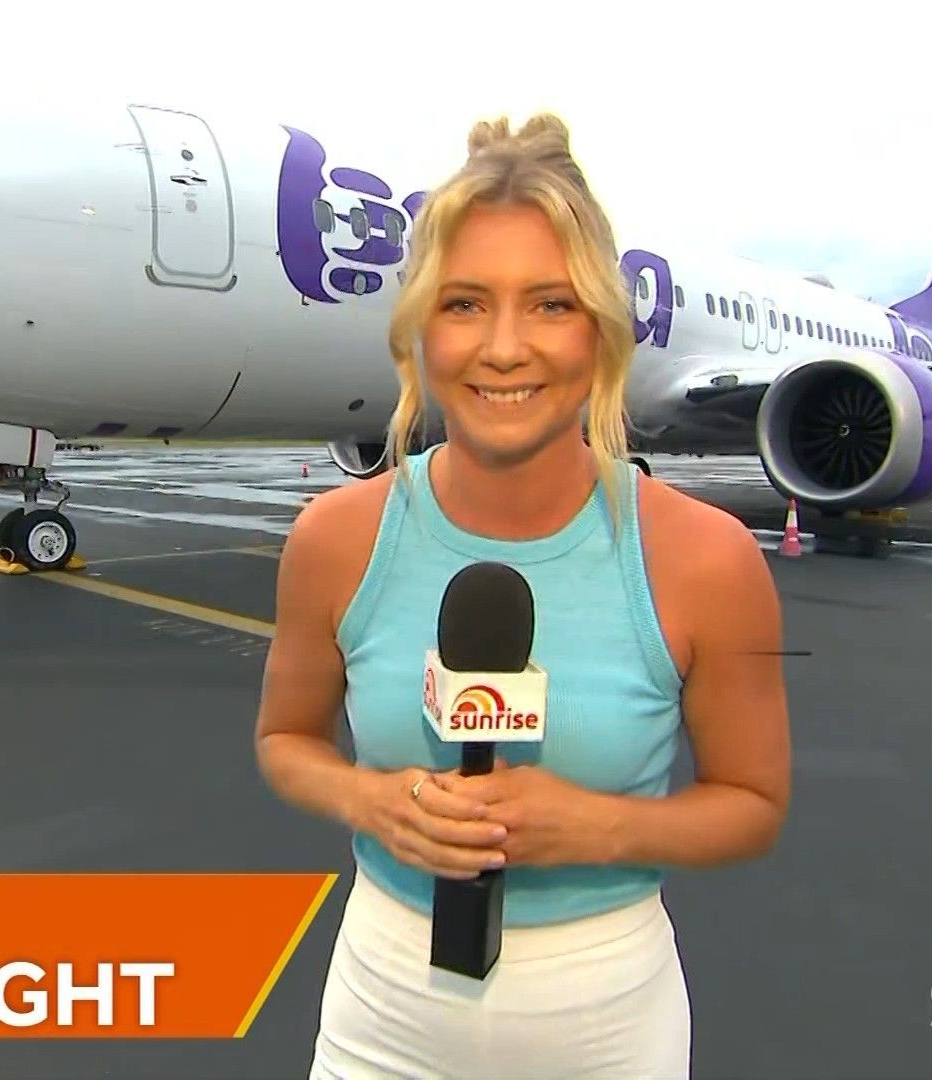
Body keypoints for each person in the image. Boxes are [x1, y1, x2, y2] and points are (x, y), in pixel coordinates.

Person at [254, 111, 791, 1079]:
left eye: (550, 304)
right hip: (382, 1014)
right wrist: (375, 799)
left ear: (602, 332)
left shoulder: (707, 560)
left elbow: (751, 804)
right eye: (465, 303)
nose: (504, 348)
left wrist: (599, 826)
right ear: (421, 328)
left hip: (606, 1027)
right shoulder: (335, 539)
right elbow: (285, 743)